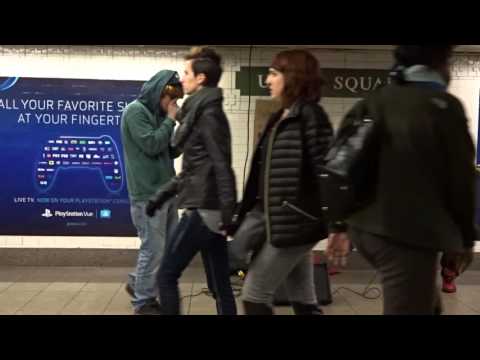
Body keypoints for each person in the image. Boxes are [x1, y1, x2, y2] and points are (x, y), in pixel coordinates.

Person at [326, 45, 476, 315]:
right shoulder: (443, 107)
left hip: (365, 229)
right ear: (440, 63)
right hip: (406, 234)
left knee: (426, 303)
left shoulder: (374, 100)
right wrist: (466, 237)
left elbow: (340, 163)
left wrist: (338, 223)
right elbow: (461, 180)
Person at [232, 49, 334, 315]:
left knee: (254, 294)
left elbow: (327, 173)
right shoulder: (280, 118)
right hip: (282, 222)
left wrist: (339, 227)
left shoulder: (311, 117)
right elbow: (261, 177)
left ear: (294, 78)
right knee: (303, 298)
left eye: (274, 74)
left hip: (294, 225)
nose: (267, 80)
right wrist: (240, 215)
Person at [146, 47, 237, 315]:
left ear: (200, 79)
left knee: (166, 276)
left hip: (204, 209)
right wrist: (160, 197)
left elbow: (222, 166)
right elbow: (192, 171)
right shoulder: (200, 113)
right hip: (210, 209)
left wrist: (229, 213)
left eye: (186, 73)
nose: (182, 78)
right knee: (220, 284)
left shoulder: (208, 116)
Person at [120, 70, 183, 315]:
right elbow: (151, 144)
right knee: (153, 248)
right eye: (171, 99)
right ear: (160, 94)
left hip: (166, 191)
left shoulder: (159, 115)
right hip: (147, 194)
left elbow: (170, 151)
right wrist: (170, 120)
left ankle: (138, 282)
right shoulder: (135, 111)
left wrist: (181, 129)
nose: (173, 105)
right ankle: (143, 302)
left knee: (169, 248)